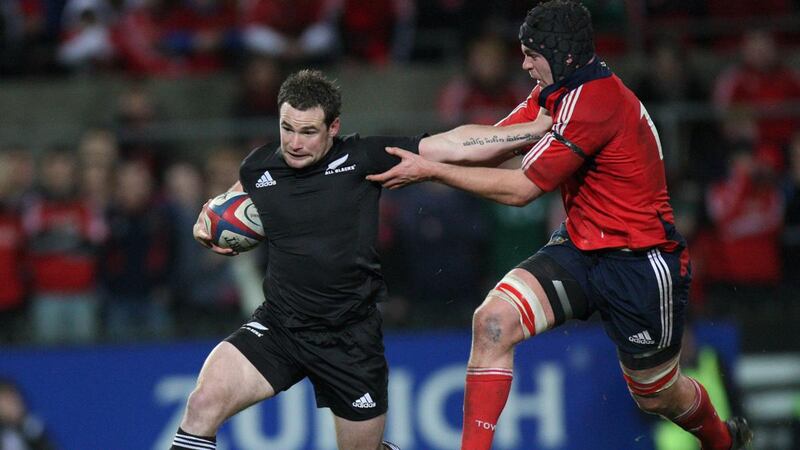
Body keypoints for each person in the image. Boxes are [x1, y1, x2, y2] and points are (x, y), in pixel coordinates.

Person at [366, 2, 754, 449]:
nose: (525, 63)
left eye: (532, 53)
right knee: (493, 321)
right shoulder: (558, 92)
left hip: (640, 263)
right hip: (580, 248)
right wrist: (392, 151)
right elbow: (489, 142)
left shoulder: (596, 102)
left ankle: (722, 440)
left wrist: (429, 172)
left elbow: (521, 190)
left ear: (563, 55)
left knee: (657, 394)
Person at [169, 69, 552, 450]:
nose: (295, 142)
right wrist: (205, 226)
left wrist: (531, 131)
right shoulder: (259, 167)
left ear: (333, 127)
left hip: (349, 340)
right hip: (280, 327)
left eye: (308, 132)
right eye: (287, 128)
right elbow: (224, 210)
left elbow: (452, 144)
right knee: (203, 404)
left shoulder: (363, 158)